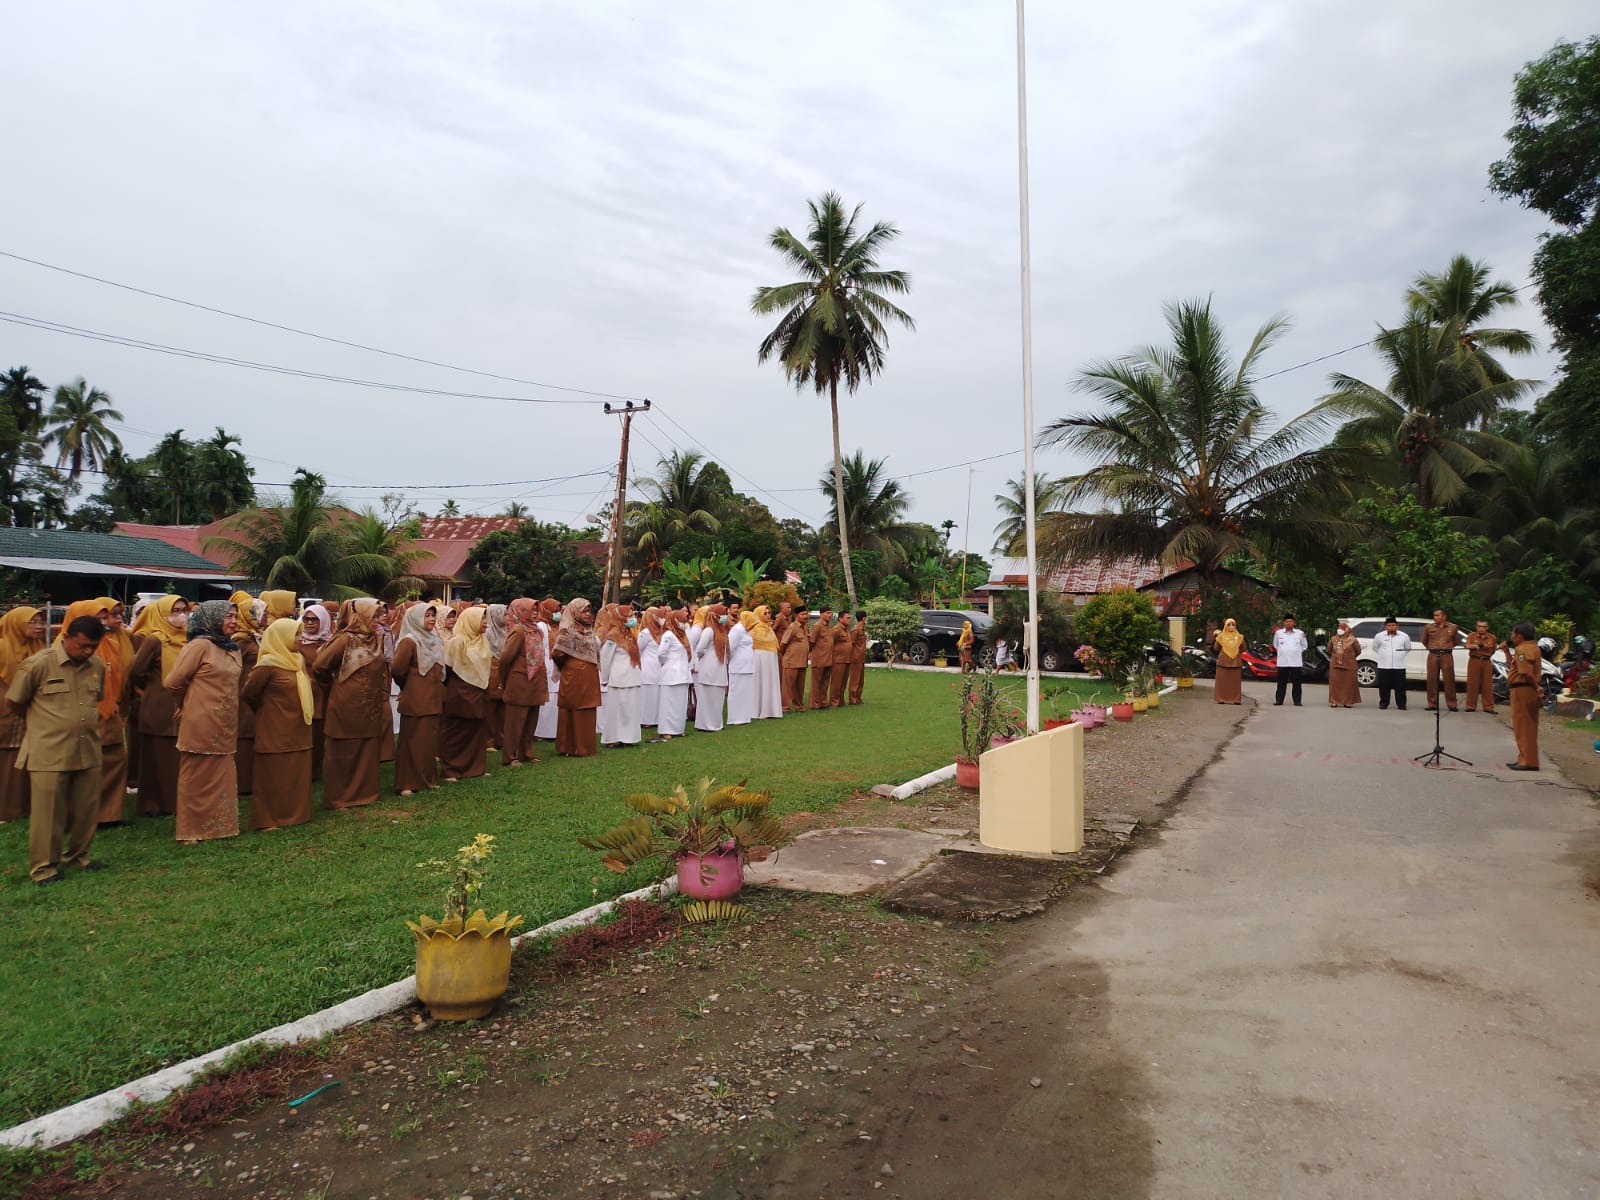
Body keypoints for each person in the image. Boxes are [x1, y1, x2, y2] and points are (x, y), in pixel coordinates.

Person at [8, 615, 107, 883]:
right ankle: (43, 868)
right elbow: (17, 702)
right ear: (66, 638)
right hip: (49, 752)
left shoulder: (96, 665)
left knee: (86, 810)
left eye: (93, 647)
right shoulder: (39, 664)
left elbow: (96, 698)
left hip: (87, 749)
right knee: (48, 815)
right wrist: (46, 726)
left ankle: (78, 856)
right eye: (83, 646)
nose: (88, 652)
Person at [165, 600, 243, 844]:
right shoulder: (199, 646)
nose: (233, 621)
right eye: (228, 616)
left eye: (235, 617)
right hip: (201, 717)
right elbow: (173, 682)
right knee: (196, 773)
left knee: (222, 772)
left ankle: (220, 827)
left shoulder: (233, 648)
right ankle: (191, 830)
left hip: (226, 719)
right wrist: (183, 702)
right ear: (212, 618)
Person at [314, 599, 388, 808]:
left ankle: (365, 794)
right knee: (345, 749)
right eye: (373, 616)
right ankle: (340, 797)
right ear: (361, 617)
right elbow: (320, 665)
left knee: (366, 748)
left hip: (369, 704)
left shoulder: (374, 639)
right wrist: (332, 685)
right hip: (346, 703)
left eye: (378, 616)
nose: (377, 620)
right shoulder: (345, 639)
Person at [241, 616, 314, 829]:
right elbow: (249, 694)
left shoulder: (297, 660)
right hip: (275, 727)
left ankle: (296, 814)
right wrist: (270, 711)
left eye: (300, 634)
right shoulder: (268, 664)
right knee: (274, 773)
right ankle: (269, 818)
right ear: (281, 638)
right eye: (296, 635)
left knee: (295, 771)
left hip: (299, 726)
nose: (300, 639)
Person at [126, 594, 191, 816]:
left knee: (176, 756)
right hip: (159, 703)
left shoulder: (187, 638)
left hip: (182, 702)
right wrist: (151, 689)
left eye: (184, 609)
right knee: (157, 756)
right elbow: (136, 670)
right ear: (162, 614)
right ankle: (154, 803)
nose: (181, 615)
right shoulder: (155, 640)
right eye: (175, 611)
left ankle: (174, 802)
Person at [391, 602, 445, 794]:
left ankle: (426, 780)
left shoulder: (434, 640)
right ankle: (407, 783)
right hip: (415, 698)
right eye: (427, 616)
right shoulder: (409, 641)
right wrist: (407, 687)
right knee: (411, 741)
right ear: (415, 619)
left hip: (433, 698)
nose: (431, 619)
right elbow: (397, 669)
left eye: (433, 616)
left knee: (428, 742)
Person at [0, 606, 45, 824]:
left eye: (40, 622)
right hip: (5, 706)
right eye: (32, 622)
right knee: (7, 757)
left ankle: (24, 806)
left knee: (26, 755)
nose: (38, 627)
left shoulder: (38, 647)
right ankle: (6, 809)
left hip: (29, 706)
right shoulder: (2, 646)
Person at [440, 605, 492, 781]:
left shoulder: (483, 641)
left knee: (477, 731)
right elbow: (445, 670)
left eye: (486, 619)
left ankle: (475, 768)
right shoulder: (457, 641)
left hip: (480, 692)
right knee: (457, 732)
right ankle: (451, 770)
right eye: (482, 619)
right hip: (460, 692)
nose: (485, 623)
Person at [499, 598, 549, 766]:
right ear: (521, 611)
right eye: (531, 610)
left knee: (531, 720)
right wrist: (504, 680)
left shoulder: (536, 631)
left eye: (536, 610)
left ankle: (527, 753)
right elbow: (505, 659)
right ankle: (510, 756)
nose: (535, 613)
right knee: (515, 722)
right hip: (520, 681)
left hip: (535, 681)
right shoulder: (519, 631)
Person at [551, 597, 602, 757]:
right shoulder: (567, 630)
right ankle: (570, 747)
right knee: (573, 709)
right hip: (573, 676)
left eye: (589, 610)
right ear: (574, 613)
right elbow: (557, 653)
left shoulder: (589, 630)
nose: (588, 614)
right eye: (584, 611)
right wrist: (573, 665)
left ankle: (586, 746)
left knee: (587, 708)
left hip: (589, 676)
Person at [230, 591, 265, 799]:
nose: (264, 617)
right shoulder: (240, 640)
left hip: (253, 692)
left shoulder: (253, 636)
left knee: (251, 733)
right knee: (244, 733)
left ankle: (250, 780)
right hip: (243, 692)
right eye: (261, 613)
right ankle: (242, 783)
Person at [599, 602, 643, 747]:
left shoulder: (630, 634)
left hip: (632, 675)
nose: (633, 618)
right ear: (621, 618)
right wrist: (604, 678)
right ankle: (612, 738)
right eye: (629, 616)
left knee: (630, 709)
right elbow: (605, 658)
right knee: (615, 709)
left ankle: (629, 738)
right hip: (618, 678)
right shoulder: (613, 635)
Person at [1505, 621, 1542, 771]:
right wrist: (1507, 652)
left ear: (1520, 635)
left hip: (1523, 689)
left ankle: (1528, 761)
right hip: (1523, 688)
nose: (1511, 636)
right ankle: (1525, 758)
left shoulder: (1523, 650)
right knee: (1526, 726)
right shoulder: (1531, 647)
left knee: (1524, 726)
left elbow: (1526, 673)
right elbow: (1514, 668)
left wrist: (1537, 687)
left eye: (1513, 633)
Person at [654, 607, 693, 739]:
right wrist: (667, 664)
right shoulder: (668, 635)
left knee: (680, 703)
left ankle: (678, 728)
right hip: (671, 673)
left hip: (683, 673)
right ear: (674, 621)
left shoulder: (682, 635)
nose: (684, 623)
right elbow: (661, 654)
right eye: (681, 621)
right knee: (668, 703)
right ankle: (666, 729)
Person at [694, 604, 730, 732]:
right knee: (707, 696)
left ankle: (715, 723)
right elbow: (699, 648)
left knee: (717, 696)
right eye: (723, 614)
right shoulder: (709, 630)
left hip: (719, 667)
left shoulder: (722, 630)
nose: (725, 617)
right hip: (710, 666)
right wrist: (704, 657)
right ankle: (705, 724)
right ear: (715, 616)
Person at [482, 603, 510, 755]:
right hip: (490, 673)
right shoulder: (487, 634)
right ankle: (489, 740)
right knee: (491, 709)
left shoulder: (507, 632)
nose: (507, 617)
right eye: (504, 614)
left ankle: (501, 739)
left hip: (503, 673)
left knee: (502, 709)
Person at [534, 599, 563, 741]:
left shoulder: (557, 626)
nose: (558, 614)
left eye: (559, 611)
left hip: (556, 667)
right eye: (555, 611)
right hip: (545, 665)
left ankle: (552, 731)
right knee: (545, 700)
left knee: (554, 699)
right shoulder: (540, 626)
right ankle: (540, 732)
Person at [1422, 609, 1460, 712]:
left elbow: (1456, 641)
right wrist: (1431, 648)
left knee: (1449, 680)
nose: (1435, 617)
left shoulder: (1453, 628)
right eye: (1434, 615)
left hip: (1447, 655)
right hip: (1433, 655)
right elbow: (1424, 641)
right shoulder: (1428, 627)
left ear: (1444, 616)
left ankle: (1452, 704)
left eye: (1438, 615)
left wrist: (1447, 647)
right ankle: (1432, 703)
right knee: (1432, 679)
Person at [1371, 617, 1411, 711]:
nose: (1391, 627)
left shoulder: (1404, 636)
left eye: (1393, 625)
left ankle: (1401, 704)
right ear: (1386, 626)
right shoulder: (1379, 636)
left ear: (1397, 626)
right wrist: (1384, 655)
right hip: (1384, 665)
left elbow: (1407, 648)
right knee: (1384, 686)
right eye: (1389, 625)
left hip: (1399, 665)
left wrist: (1400, 655)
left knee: (1400, 686)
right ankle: (1384, 703)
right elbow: (1375, 647)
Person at [750, 606, 783, 719]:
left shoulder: (769, 629)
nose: (768, 615)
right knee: (761, 681)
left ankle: (771, 709)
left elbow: (774, 644)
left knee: (770, 681)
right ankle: (759, 709)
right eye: (765, 613)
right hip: (760, 658)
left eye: (769, 613)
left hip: (770, 659)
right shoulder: (755, 629)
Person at [1463, 618, 1498, 714]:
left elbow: (1493, 649)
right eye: (1479, 626)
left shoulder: (1492, 637)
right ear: (1476, 627)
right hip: (1474, 660)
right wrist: (1475, 646)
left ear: (1487, 628)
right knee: (1472, 683)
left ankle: (1488, 707)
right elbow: (1467, 645)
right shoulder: (1472, 635)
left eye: (1483, 627)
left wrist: (1483, 646)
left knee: (1487, 685)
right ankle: (1470, 706)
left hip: (1486, 661)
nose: (1481, 629)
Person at [1271, 616, 1308, 707]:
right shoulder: (1279, 633)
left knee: (1297, 683)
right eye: (1287, 621)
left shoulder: (1300, 633)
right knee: (1281, 683)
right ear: (1284, 623)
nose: (1289, 623)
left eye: (1291, 621)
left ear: (1294, 623)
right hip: (1283, 662)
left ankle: (1297, 701)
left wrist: (1295, 651)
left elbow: (1304, 646)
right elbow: (1275, 645)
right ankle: (1279, 700)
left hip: (1296, 662)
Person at [779, 605, 809, 713]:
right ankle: (785, 706)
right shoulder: (793, 627)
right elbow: (783, 643)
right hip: (791, 661)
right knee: (788, 685)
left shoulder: (804, 627)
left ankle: (799, 705)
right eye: (803, 614)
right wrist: (785, 655)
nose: (805, 616)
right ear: (796, 616)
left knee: (799, 686)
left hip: (802, 661)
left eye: (806, 614)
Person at [727, 609, 754, 726]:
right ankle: (735, 717)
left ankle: (744, 716)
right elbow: (731, 648)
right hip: (738, 666)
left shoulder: (746, 631)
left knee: (745, 692)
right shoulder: (736, 630)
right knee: (736, 691)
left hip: (747, 667)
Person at [1326, 621, 1362, 708]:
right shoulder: (1333, 638)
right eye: (1339, 628)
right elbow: (1329, 650)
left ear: (1347, 629)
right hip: (1335, 665)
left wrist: (1348, 657)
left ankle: (1348, 702)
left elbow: (1358, 651)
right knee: (1335, 684)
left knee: (1349, 684)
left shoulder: (1352, 639)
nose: (1340, 630)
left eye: (1342, 629)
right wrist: (1337, 656)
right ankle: (1334, 701)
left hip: (1349, 665)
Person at [638, 605, 663, 729]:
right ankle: (645, 719)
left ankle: (656, 718)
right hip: (648, 666)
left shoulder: (661, 631)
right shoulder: (645, 633)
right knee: (648, 693)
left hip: (659, 667)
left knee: (657, 693)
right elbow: (638, 649)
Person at [809, 607, 836, 710]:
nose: (830, 615)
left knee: (825, 682)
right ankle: (815, 703)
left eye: (830, 613)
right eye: (827, 613)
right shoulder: (817, 626)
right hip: (819, 658)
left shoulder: (829, 627)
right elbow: (812, 642)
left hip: (828, 658)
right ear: (821, 614)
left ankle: (823, 702)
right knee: (816, 682)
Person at [1212, 619, 1244, 705]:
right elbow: (1216, 648)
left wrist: (1235, 651)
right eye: (1229, 625)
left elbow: (1243, 647)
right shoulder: (1220, 637)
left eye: (1233, 624)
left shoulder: (1240, 637)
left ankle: (1236, 699)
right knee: (1221, 681)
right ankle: (1220, 698)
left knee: (1235, 683)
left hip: (1235, 662)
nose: (1231, 626)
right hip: (1223, 662)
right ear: (1225, 626)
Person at [828, 612, 853, 707]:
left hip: (846, 659)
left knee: (843, 681)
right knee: (836, 682)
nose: (849, 620)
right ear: (840, 619)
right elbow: (830, 643)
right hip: (838, 659)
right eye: (847, 618)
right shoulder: (836, 629)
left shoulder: (846, 630)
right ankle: (834, 701)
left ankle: (840, 700)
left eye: (850, 618)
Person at [848, 611, 869, 704]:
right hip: (856, 658)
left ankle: (858, 697)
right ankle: (853, 698)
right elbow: (851, 644)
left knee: (860, 680)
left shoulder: (862, 629)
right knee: (855, 679)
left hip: (861, 657)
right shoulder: (856, 629)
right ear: (864, 618)